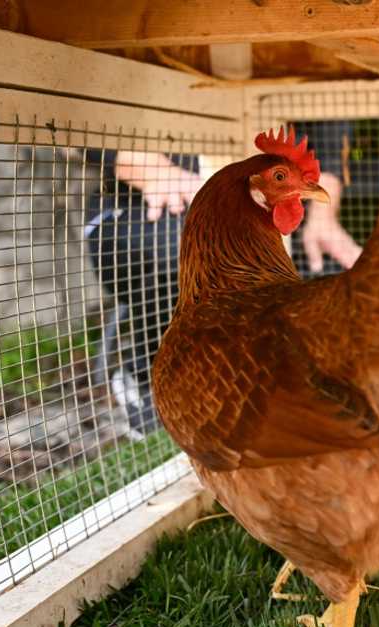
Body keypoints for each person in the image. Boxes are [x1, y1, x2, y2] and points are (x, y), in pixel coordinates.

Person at [84, 124, 361, 435]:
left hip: (246, 208)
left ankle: (281, 390)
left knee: (326, 277)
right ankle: (145, 375)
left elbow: (327, 127)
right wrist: (147, 167)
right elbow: (74, 120)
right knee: (180, 252)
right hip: (137, 206)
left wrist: (324, 215)